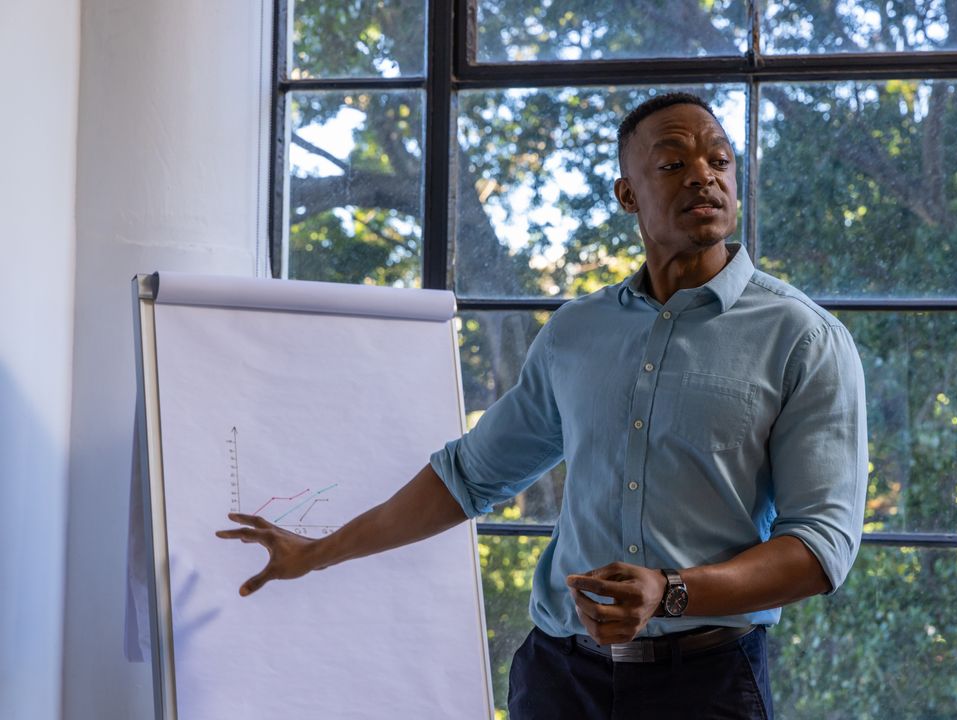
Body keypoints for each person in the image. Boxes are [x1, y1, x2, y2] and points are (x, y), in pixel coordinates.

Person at [218, 91, 868, 720]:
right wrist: (316, 552)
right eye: (674, 163)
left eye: (719, 160)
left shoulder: (803, 338)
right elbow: (467, 477)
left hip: (706, 687)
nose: (704, 176)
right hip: (558, 682)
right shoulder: (575, 334)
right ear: (627, 195)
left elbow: (820, 547)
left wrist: (669, 591)